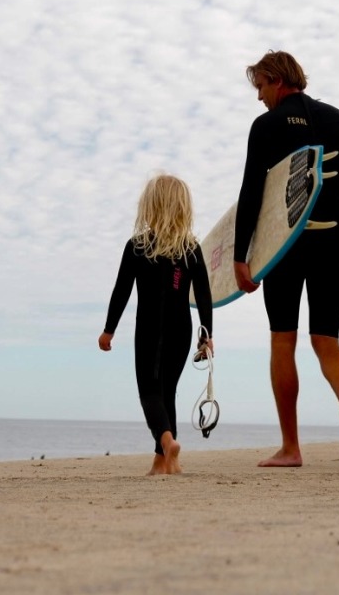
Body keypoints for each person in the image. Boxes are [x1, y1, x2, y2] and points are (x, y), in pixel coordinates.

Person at [231, 50, 339, 468]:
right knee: (326, 340)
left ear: (276, 80)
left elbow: (252, 191)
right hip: (332, 242)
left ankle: (291, 447)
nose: (259, 98)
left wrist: (241, 255)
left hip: (285, 245)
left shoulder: (266, 126)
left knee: (282, 340)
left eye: (260, 87)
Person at [99, 173, 214, 476]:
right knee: (167, 392)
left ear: (150, 207)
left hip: (150, 329)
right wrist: (207, 335)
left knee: (149, 392)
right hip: (182, 330)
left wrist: (109, 329)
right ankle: (164, 462)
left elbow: (121, 291)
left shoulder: (137, 246)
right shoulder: (191, 250)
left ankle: (166, 441)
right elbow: (203, 294)